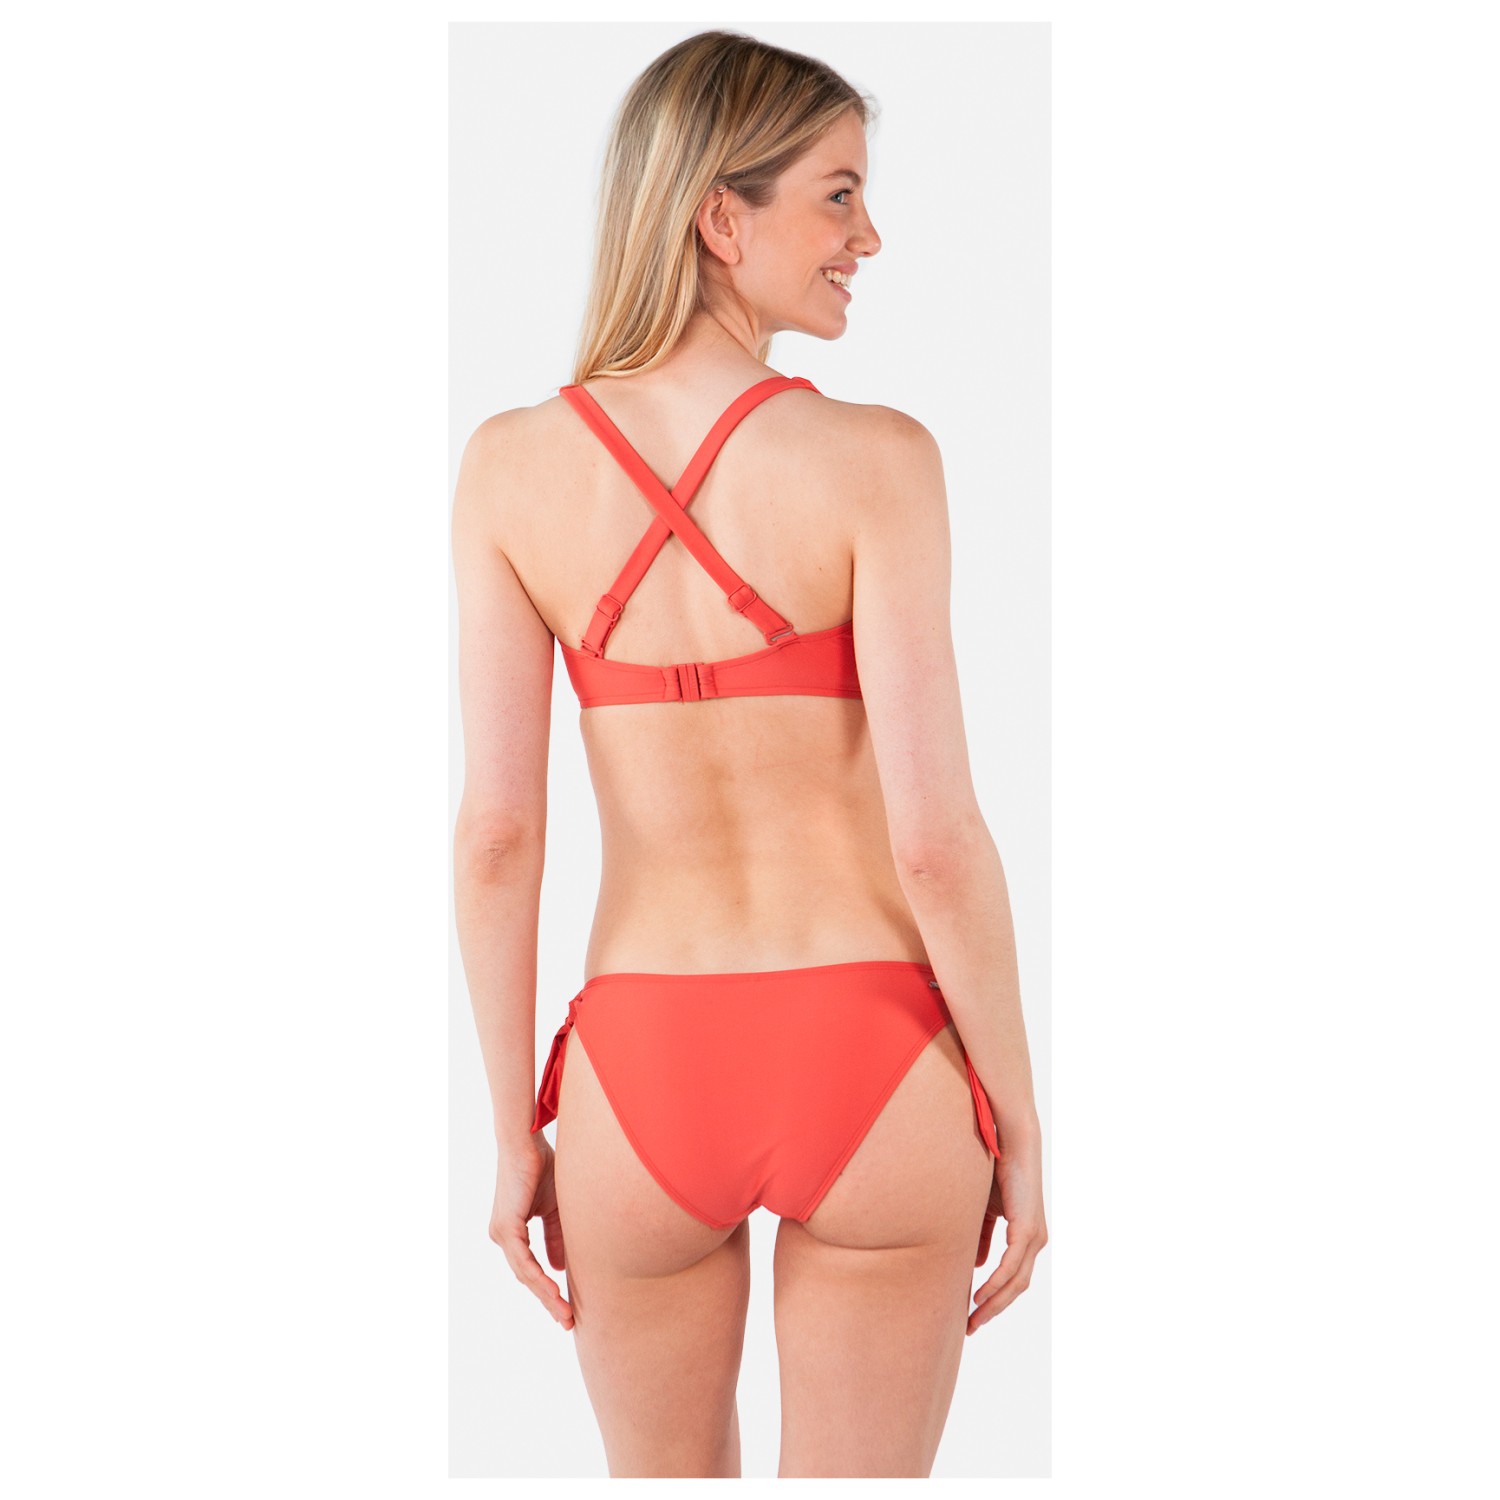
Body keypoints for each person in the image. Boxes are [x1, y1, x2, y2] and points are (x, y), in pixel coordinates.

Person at [451, 29, 1045, 1479]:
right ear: (723, 217)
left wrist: (515, 1130)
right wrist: (1019, 1118)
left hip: (640, 1071)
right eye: (839, 196)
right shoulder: (879, 460)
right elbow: (936, 841)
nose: (868, 238)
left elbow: (497, 837)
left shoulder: (509, 468)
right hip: (874, 1058)